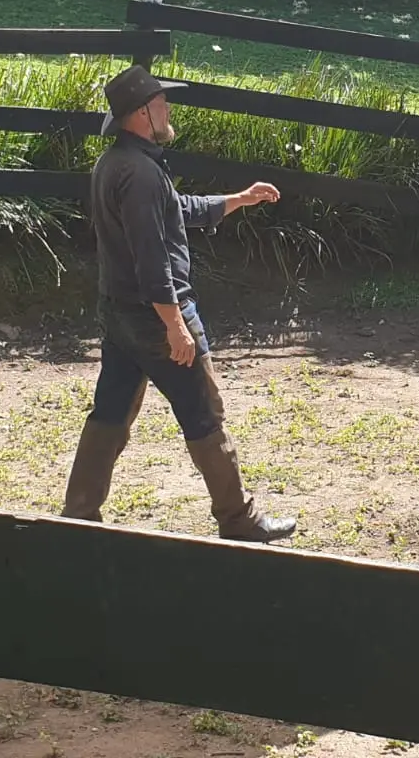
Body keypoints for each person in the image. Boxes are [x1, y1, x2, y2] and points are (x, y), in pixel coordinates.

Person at [59, 63, 297, 543]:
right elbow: (152, 258)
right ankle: (238, 519)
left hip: (120, 315)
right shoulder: (142, 174)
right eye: (162, 103)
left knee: (110, 410)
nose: (169, 110)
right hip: (156, 318)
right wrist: (175, 324)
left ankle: (79, 513)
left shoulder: (117, 165)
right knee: (204, 412)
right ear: (144, 113)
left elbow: (176, 210)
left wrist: (238, 199)